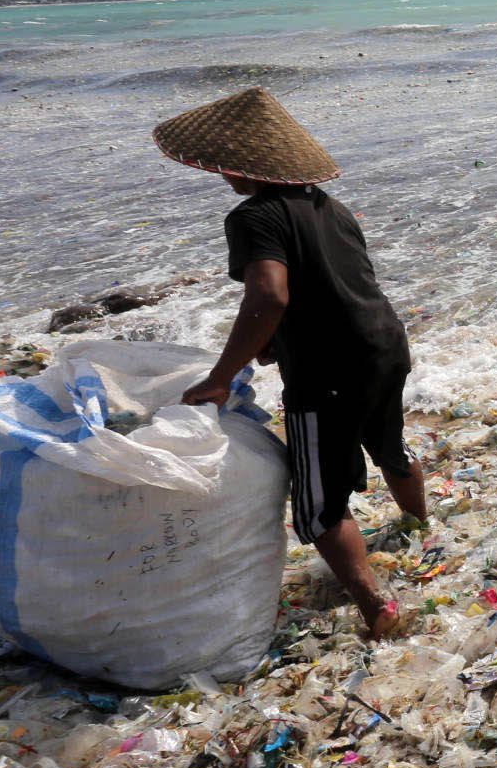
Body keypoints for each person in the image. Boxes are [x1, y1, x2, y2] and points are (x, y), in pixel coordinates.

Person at [155, 88, 424, 640]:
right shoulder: (335, 210)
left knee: (317, 502)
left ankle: (378, 608)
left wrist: (220, 377)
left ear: (246, 166)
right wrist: (272, 343)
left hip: (328, 370)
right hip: (384, 343)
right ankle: (421, 528)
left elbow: (270, 295)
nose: (222, 174)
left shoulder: (255, 217)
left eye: (227, 164)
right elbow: (335, 284)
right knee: (389, 445)